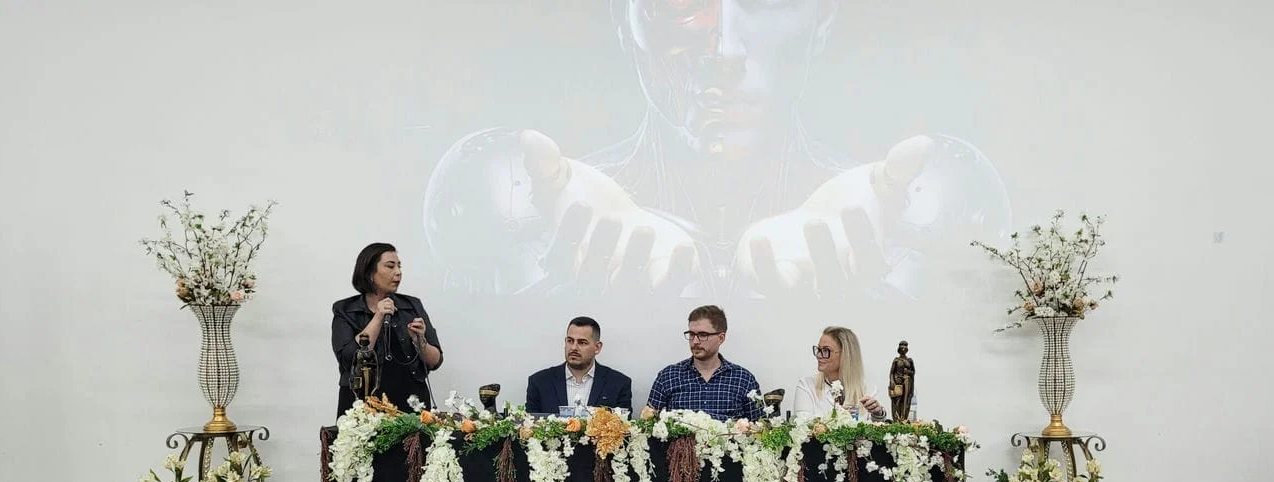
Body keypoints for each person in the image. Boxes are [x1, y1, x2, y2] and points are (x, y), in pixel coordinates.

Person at [423, 1, 1011, 300]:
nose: (724, 47)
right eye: (683, 2)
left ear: (823, 18)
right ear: (625, 17)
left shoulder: (902, 220)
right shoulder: (527, 213)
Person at [332, 243, 444, 418]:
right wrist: (378, 317)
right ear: (369, 272)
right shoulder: (345, 309)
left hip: (411, 403)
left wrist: (420, 341)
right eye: (390, 266)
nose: (398, 272)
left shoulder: (412, 306)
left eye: (399, 266)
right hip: (362, 406)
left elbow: (435, 361)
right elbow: (350, 359)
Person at [646, 305, 764, 421]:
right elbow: (648, 424)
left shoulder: (743, 379)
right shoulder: (668, 377)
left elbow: (760, 427)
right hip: (679, 435)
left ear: (721, 338)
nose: (695, 341)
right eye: (691, 334)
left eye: (703, 335)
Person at [524, 316, 633, 415]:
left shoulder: (619, 384)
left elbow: (623, 427)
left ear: (597, 347)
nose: (574, 348)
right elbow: (530, 425)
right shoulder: (539, 382)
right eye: (570, 341)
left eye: (582, 342)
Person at [794, 326, 887, 421]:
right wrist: (839, 417)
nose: (818, 355)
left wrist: (878, 414)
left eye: (826, 350)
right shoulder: (806, 386)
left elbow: (876, 427)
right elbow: (802, 424)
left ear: (845, 355)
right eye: (818, 349)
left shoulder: (869, 390)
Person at [888, 339, 917, 422]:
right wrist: (892, 381)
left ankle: (903, 418)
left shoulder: (909, 360)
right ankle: (896, 418)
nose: (903, 350)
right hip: (898, 382)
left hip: (907, 382)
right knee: (897, 400)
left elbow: (913, 372)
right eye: (901, 348)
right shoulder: (896, 360)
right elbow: (892, 372)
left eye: (905, 348)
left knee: (906, 400)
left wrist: (908, 372)